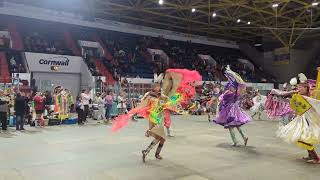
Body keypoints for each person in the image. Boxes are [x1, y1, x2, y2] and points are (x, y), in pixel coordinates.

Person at [112, 69, 202, 163]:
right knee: (161, 137)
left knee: (162, 139)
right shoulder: (150, 95)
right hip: (154, 118)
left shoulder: (161, 95)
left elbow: (168, 101)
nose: (159, 88)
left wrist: (180, 101)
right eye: (157, 86)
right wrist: (131, 113)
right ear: (154, 87)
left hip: (159, 117)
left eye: (159, 86)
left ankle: (153, 153)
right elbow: (145, 104)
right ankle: (148, 151)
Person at [277, 72, 320, 164]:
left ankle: (316, 158)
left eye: (300, 87)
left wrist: (291, 92)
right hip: (302, 120)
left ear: (306, 88)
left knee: (303, 138)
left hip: (309, 122)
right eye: (298, 87)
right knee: (304, 137)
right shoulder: (301, 96)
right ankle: (310, 155)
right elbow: (285, 96)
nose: (298, 89)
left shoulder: (308, 97)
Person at [213, 66, 250, 146]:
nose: (229, 88)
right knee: (236, 125)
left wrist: (230, 72)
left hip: (230, 110)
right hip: (234, 108)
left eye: (231, 87)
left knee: (230, 126)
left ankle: (235, 141)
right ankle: (244, 137)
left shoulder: (229, 92)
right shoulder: (234, 92)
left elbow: (222, 98)